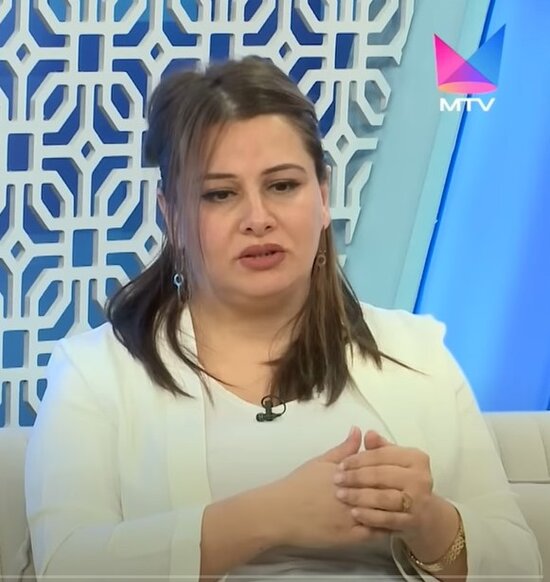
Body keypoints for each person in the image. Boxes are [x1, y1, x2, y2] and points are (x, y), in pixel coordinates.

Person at [23, 56, 542, 582]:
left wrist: (426, 521)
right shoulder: (94, 374)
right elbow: (66, 566)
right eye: (220, 194)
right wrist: (271, 516)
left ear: (323, 196)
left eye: (282, 186)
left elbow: (523, 565)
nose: (258, 219)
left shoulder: (417, 354)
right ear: (172, 216)